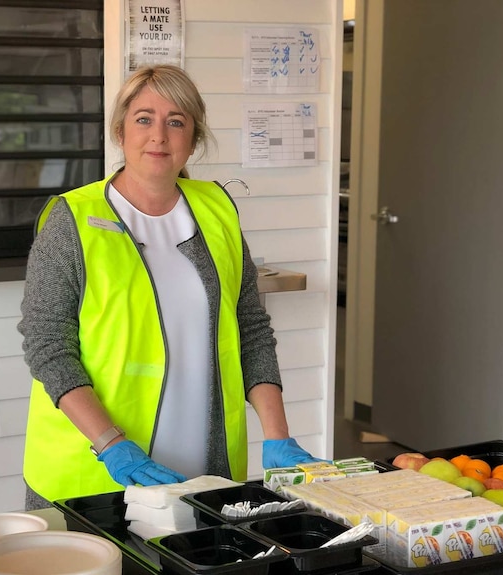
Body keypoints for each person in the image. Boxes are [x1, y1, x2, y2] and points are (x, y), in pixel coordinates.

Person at [18, 64, 320, 510]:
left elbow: (250, 328)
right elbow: (48, 346)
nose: (159, 135)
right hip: (93, 473)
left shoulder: (217, 210)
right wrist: (110, 443)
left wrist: (278, 436)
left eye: (176, 121)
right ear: (121, 131)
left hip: (202, 473)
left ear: (193, 139)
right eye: (144, 118)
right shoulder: (72, 220)